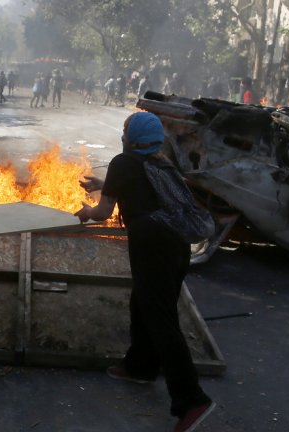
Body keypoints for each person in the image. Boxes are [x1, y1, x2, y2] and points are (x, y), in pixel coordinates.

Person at [74, 112, 214, 432]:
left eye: (125, 131)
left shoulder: (123, 162)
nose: (122, 136)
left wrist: (86, 212)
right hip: (176, 248)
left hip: (153, 248)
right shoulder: (161, 163)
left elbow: (103, 212)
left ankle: (192, 400)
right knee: (144, 303)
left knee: (162, 319)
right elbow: (137, 189)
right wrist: (103, 185)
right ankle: (141, 366)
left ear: (133, 138)